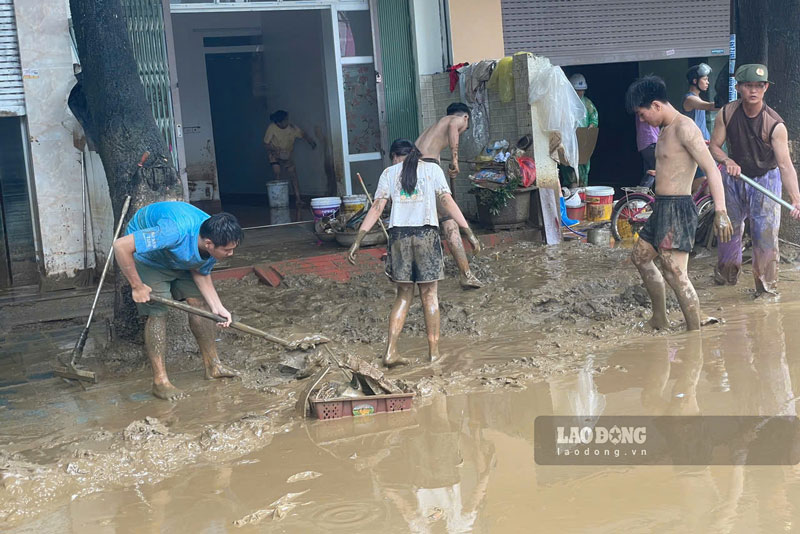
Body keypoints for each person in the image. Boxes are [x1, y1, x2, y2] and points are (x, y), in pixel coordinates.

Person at [347, 139, 477, 367]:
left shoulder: (389, 173)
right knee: (430, 296)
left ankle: (390, 352)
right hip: (426, 235)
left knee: (403, 296)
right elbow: (447, 201)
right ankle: (434, 353)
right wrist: (468, 232)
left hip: (399, 238)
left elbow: (377, 207)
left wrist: (358, 239)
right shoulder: (432, 170)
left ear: (397, 156)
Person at [625, 76, 732, 331]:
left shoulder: (685, 128)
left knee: (675, 273)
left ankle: (694, 334)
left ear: (656, 105)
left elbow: (712, 169)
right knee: (640, 257)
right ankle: (659, 319)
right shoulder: (664, 129)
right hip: (661, 206)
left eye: (642, 114)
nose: (642, 121)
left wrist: (721, 211)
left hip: (678, 208)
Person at [113, 201, 244, 400]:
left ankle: (213, 365)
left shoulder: (211, 242)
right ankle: (160, 382)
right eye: (227, 250)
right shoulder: (172, 232)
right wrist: (137, 286)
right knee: (158, 312)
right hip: (150, 259)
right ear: (209, 244)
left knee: (201, 306)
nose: (231, 254)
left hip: (177, 256)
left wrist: (218, 307)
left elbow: (200, 271)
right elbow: (121, 246)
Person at [709, 64, 800, 296]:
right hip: (734, 177)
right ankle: (726, 280)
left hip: (765, 179)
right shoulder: (727, 113)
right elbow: (714, 147)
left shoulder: (775, 124)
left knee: (764, 237)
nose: (753, 91)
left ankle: (766, 290)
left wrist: (796, 199)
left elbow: (785, 165)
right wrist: (727, 160)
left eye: (759, 86)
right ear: (738, 87)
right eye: (748, 85)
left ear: (766, 88)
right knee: (728, 232)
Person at [415, 102, 483, 289]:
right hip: (427, 168)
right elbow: (454, 126)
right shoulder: (456, 120)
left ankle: (426, 270)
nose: (462, 130)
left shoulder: (431, 130)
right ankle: (466, 274)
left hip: (412, 169)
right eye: (465, 129)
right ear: (466, 118)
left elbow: (422, 156)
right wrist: (454, 159)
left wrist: (444, 170)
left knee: (430, 221)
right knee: (450, 222)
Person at [263, 110, 316, 207]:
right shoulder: (272, 128)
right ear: (278, 122)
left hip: (287, 154)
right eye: (285, 120)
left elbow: (303, 135)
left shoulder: (292, 128)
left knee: (293, 176)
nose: (287, 122)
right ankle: (278, 200)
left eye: (287, 119)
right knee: (277, 172)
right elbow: (266, 144)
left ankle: (298, 199)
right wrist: (275, 149)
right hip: (274, 154)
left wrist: (311, 142)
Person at [682, 63, 717, 186]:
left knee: (708, 182)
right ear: (695, 81)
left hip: (703, 146)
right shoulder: (690, 99)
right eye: (705, 79)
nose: (707, 82)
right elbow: (709, 106)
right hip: (695, 148)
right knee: (702, 184)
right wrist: (725, 101)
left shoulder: (697, 98)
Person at [565, 73, 598, 188]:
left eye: (582, 90)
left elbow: (594, 117)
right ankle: (572, 187)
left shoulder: (587, 103)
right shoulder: (566, 103)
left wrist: (592, 126)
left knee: (583, 165)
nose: (580, 93)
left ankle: (583, 187)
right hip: (569, 140)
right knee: (570, 167)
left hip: (583, 139)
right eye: (578, 90)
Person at [635, 115, 659, 189]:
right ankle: (641, 194)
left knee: (649, 172)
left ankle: (641, 196)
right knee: (655, 171)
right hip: (651, 141)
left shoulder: (640, 112)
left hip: (644, 144)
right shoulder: (647, 110)